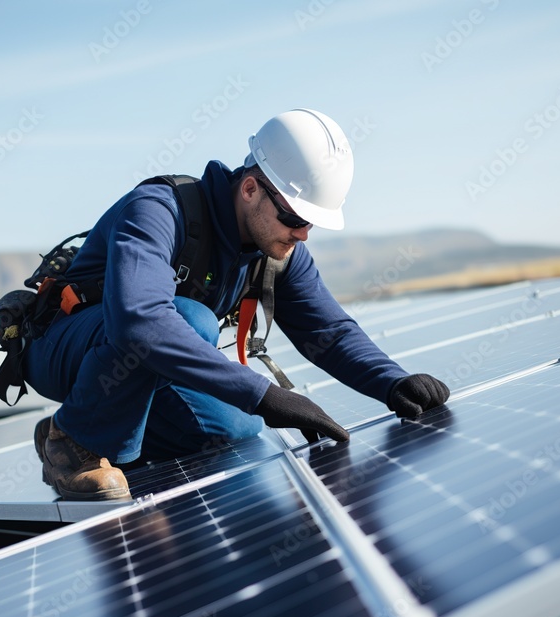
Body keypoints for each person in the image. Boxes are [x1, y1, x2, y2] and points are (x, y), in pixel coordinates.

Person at [23, 108, 450, 501]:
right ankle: (75, 438)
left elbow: (329, 331)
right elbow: (140, 322)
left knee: (238, 428)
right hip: (64, 346)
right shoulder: (158, 210)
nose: (303, 235)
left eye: (311, 223)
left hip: (144, 369)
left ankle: (92, 425)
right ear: (250, 188)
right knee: (193, 320)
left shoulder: (276, 251)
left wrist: (392, 383)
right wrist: (263, 395)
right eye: (296, 219)